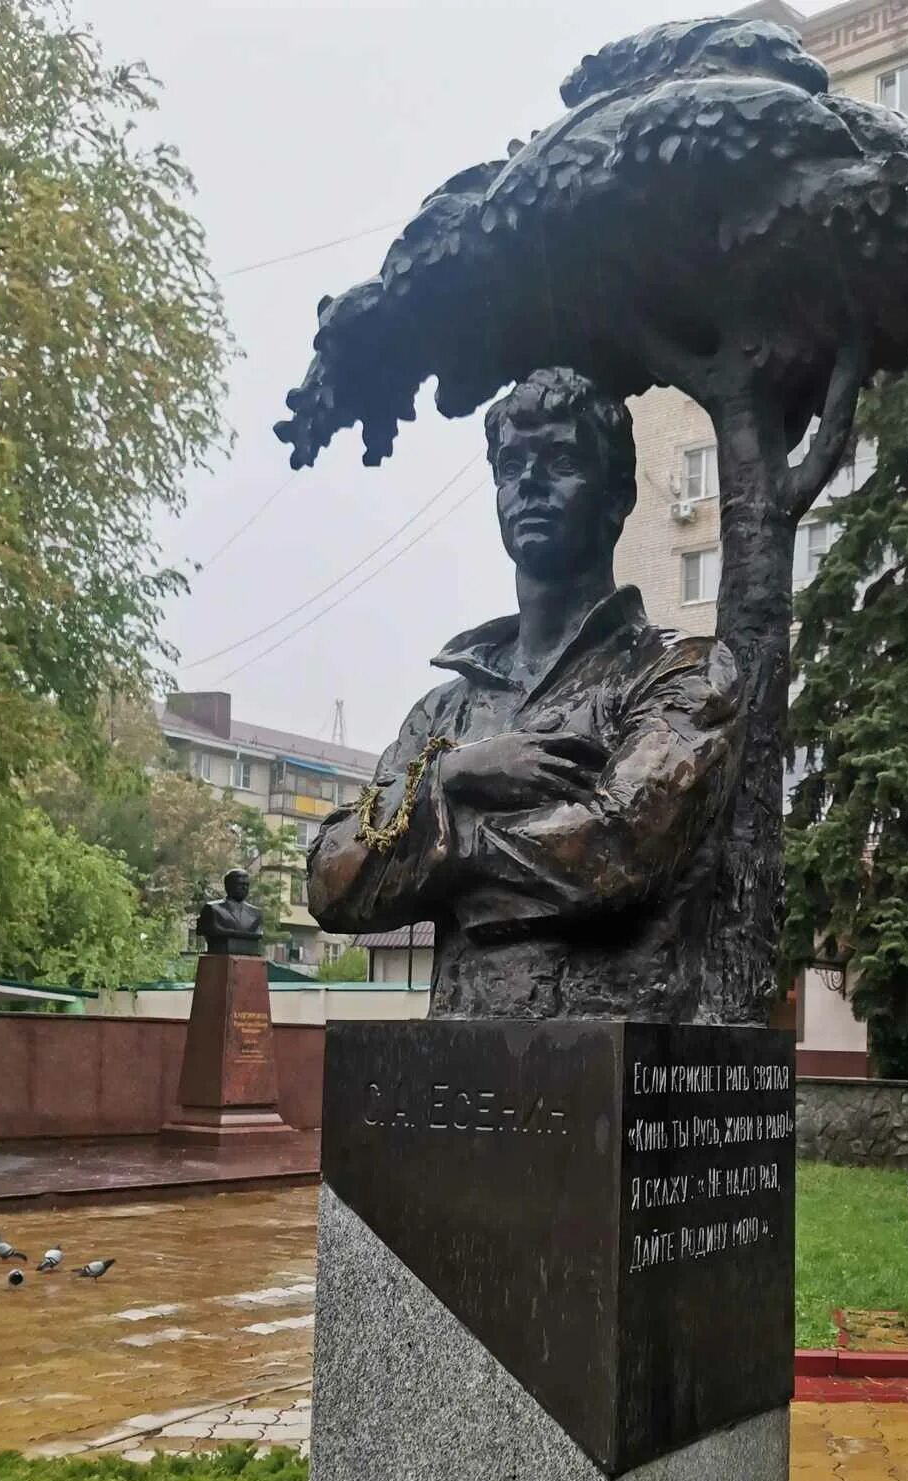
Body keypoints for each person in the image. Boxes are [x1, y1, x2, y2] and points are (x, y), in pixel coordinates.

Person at [308, 367, 744, 1021]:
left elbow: (615, 852)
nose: (529, 483)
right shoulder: (443, 714)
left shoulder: (681, 670)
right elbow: (329, 881)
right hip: (463, 1068)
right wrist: (451, 777)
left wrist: (436, 856)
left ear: (617, 495)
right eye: (511, 465)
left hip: (612, 1062)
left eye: (560, 459)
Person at [198, 869, 264, 955]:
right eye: (240, 884)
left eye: (247, 885)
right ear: (228, 886)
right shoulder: (213, 909)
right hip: (220, 955)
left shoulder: (255, 913)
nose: (245, 888)